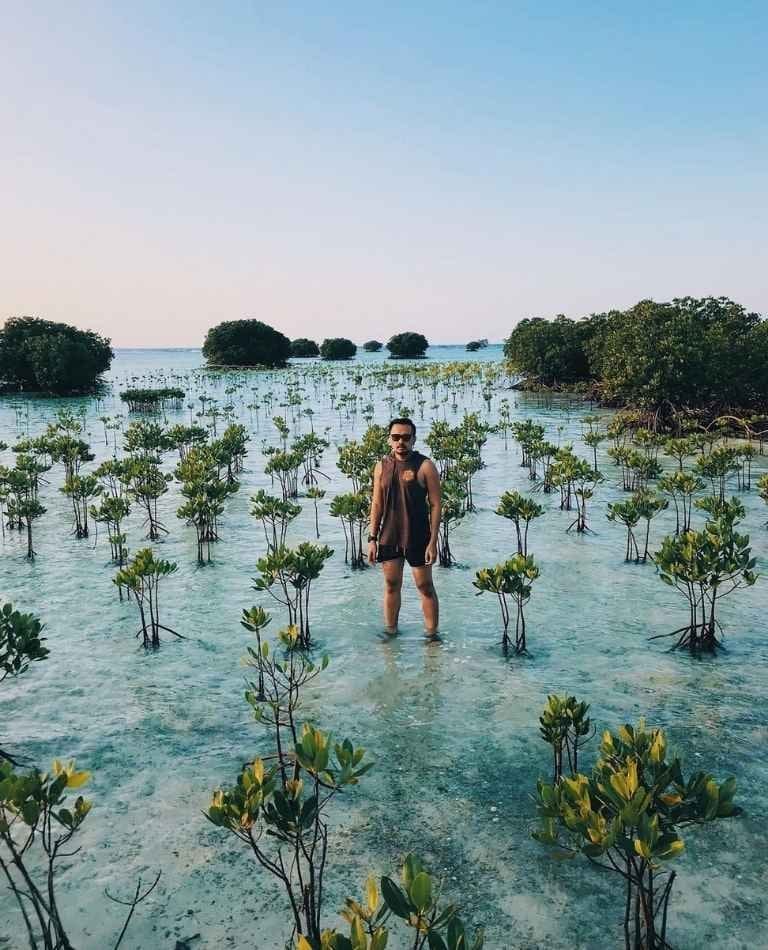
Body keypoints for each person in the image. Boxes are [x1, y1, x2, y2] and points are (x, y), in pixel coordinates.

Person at [368, 418, 442, 637]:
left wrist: (433, 541)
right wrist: (372, 538)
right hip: (389, 536)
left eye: (406, 437)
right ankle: (391, 633)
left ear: (413, 439)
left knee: (425, 587)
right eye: (396, 437)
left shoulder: (425, 465)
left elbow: (436, 504)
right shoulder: (382, 466)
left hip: (418, 537)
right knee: (391, 585)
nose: (401, 442)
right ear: (389, 439)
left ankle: (432, 636)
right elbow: (377, 503)